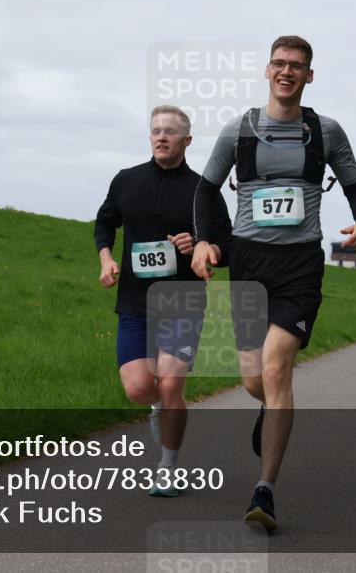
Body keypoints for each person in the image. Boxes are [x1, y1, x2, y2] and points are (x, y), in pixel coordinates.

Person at [191, 36, 356, 531]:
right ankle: (273, 412)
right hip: (249, 263)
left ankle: (264, 490)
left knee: (275, 369)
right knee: (255, 380)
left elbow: (355, 183)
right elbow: (206, 190)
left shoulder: (325, 131)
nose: (287, 71)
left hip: (299, 265)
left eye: (297, 65)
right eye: (279, 63)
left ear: (309, 76)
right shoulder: (239, 130)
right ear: (266, 71)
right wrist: (207, 241)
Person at [94, 105, 232, 496]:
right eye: (156, 130)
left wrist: (203, 246)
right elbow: (105, 223)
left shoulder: (203, 191)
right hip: (136, 302)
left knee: (171, 385)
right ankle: (160, 409)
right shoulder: (126, 181)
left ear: (187, 140)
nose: (161, 136)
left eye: (171, 131)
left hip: (183, 301)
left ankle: (168, 467)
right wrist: (106, 258)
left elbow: (229, 245)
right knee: (139, 388)